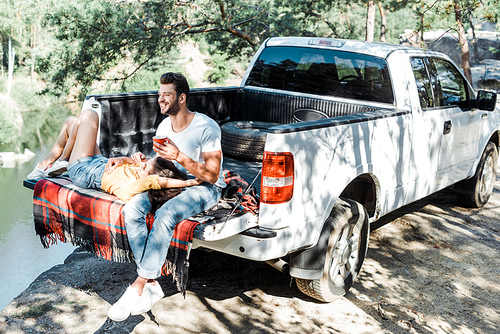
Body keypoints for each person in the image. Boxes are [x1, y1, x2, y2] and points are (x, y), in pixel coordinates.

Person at [108, 72, 225, 322]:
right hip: (171, 182)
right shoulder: (163, 126)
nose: (160, 99)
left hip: (203, 187)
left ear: (181, 98)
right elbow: (158, 162)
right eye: (159, 94)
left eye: (166, 95)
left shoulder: (206, 127)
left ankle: (138, 285)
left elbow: (213, 176)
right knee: (132, 210)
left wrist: (180, 156)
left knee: (166, 214)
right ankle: (151, 281)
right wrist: (129, 159)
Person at [26, 109, 201, 202]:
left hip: (83, 170)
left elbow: (156, 181)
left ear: (150, 181)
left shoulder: (132, 188)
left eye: (145, 167)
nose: (141, 165)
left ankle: (63, 159)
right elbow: (143, 166)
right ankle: (47, 163)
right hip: (97, 160)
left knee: (90, 114)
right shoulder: (142, 171)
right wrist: (123, 159)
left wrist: (190, 182)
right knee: (71, 122)